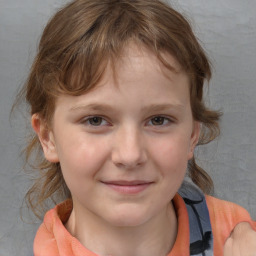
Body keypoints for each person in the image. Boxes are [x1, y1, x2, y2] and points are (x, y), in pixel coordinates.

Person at [17, 0, 256, 255]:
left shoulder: (241, 239)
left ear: (192, 134)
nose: (130, 155)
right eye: (95, 120)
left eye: (158, 120)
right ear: (47, 137)